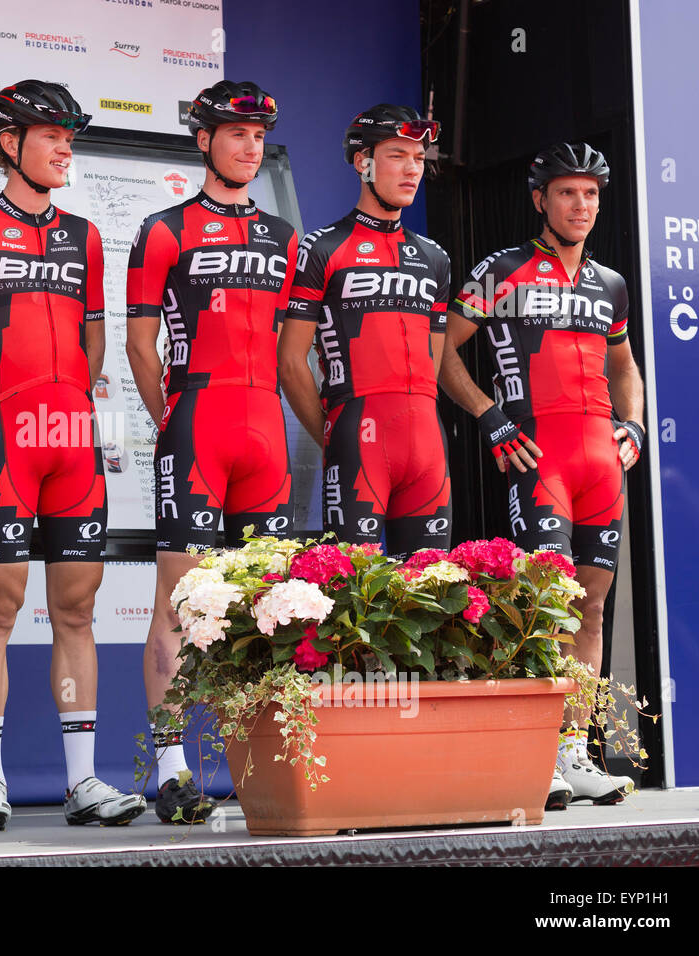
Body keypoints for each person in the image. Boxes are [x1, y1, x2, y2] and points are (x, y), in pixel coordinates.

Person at [0, 80, 144, 830]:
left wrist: (78, 407)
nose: (63, 149)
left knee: (76, 608)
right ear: (9, 143)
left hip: (72, 442)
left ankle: (83, 782)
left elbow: (94, 334)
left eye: (68, 138)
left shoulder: (83, 235)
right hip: (5, 439)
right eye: (50, 136)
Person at [438, 143, 642, 808]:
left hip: (599, 460)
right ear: (539, 199)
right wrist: (489, 414)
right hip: (540, 455)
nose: (580, 206)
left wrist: (633, 425)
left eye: (590, 194)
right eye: (566, 193)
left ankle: (572, 752)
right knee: (543, 607)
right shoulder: (503, 269)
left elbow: (625, 367)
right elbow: (442, 349)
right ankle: (533, 751)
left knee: (592, 607)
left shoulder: (609, 282)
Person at [126, 80, 296, 823]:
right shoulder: (165, 228)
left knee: (265, 608)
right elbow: (138, 341)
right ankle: (169, 768)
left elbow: (296, 356)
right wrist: (171, 415)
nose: (249, 147)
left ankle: (255, 763)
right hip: (197, 422)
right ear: (203, 141)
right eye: (234, 134)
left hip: (267, 431)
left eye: (257, 136)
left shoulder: (285, 238)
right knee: (179, 601)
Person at [280, 104, 453, 559]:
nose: (413, 169)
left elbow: (432, 363)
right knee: (352, 605)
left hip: (427, 440)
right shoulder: (323, 246)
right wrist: (333, 436)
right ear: (364, 162)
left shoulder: (435, 257)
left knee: (430, 601)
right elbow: (290, 361)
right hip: (358, 431)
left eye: (419, 158)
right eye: (398, 155)